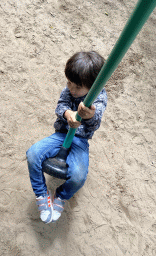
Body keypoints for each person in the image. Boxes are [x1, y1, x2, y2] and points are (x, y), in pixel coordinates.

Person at [26, 51, 107, 224]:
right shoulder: (69, 90)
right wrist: (67, 113)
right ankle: (42, 193)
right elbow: (60, 105)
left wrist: (88, 116)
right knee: (33, 154)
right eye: (69, 83)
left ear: (93, 86)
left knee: (78, 176)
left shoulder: (98, 97)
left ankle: (61, 196)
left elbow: (95, 125)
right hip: (61, 134)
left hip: (80, 141)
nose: (71, 89)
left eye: (77, 87)